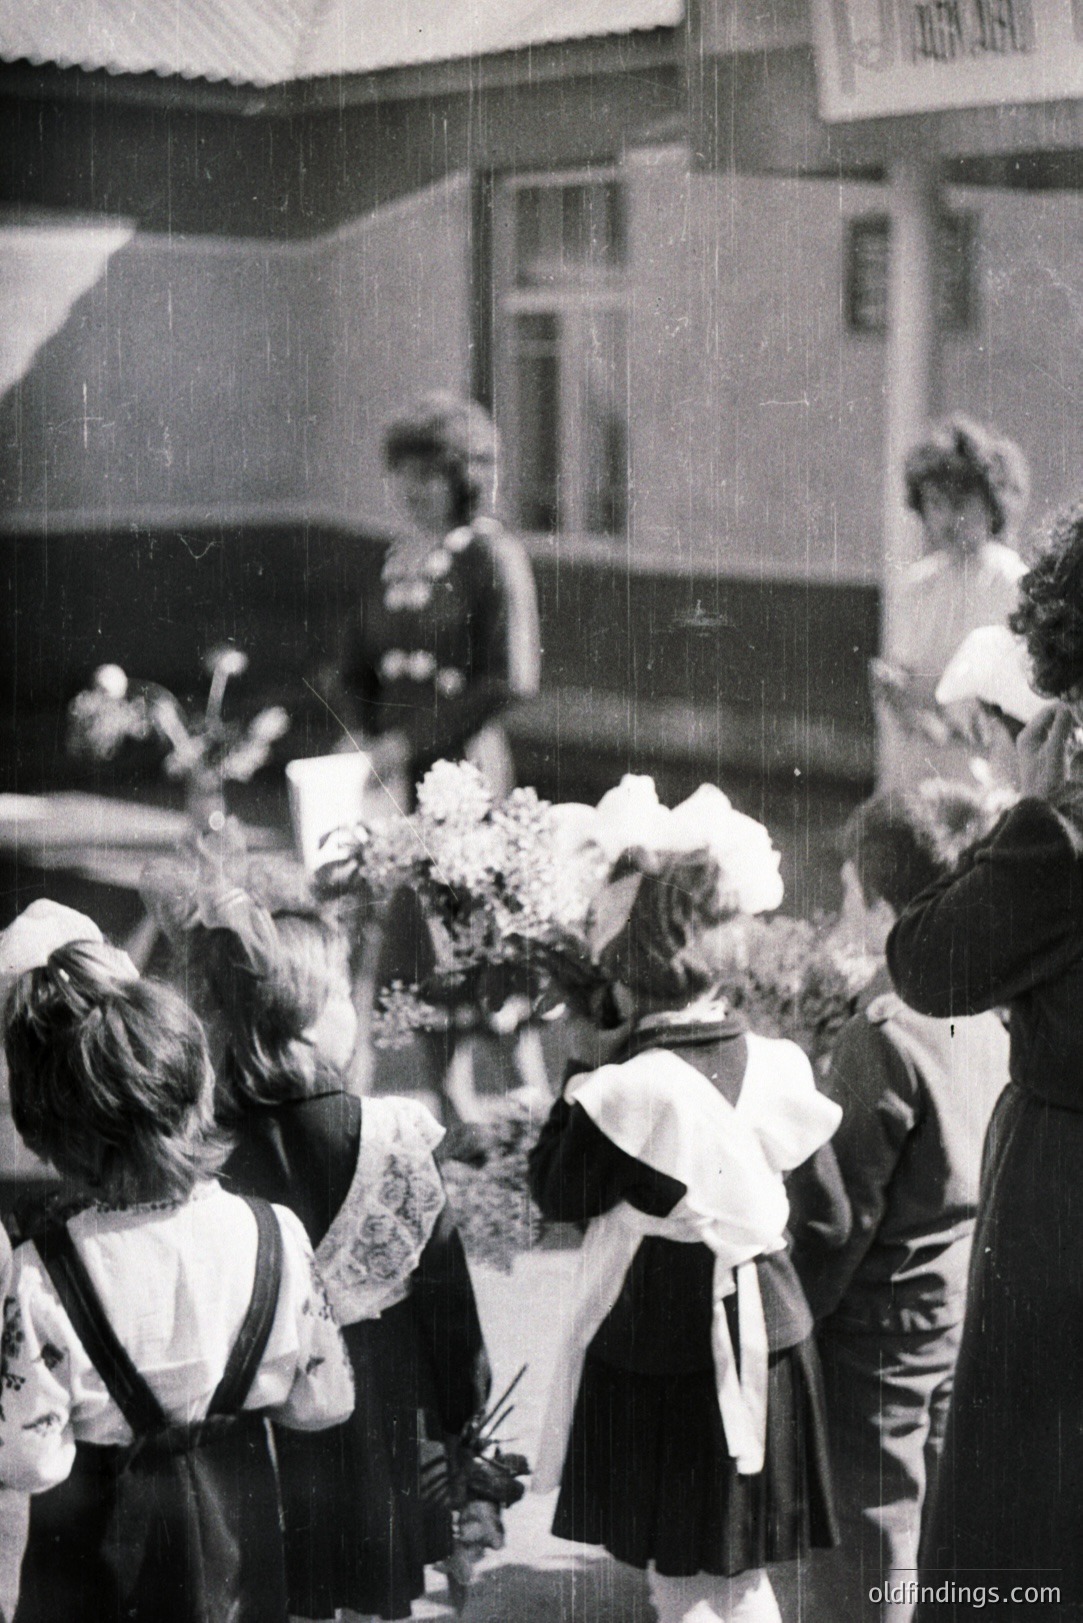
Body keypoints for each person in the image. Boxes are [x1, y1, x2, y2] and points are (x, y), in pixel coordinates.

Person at [144, 845, 492, 1623]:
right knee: (369, 1596)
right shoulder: (390, 1134)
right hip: (372, 1411)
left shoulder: (204, 1144)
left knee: (277, 1594)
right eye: (340, 991)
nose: (354, 1008)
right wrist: (463, 1420)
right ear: (303, 1011)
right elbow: (446, 1299)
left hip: (250, 1419)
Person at [0, 899, 354, 1623]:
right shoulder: (274, 1232)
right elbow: (325, 1401)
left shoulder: (42, 1272)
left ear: (47, 1127)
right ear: (195, 1084)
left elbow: (30, 1460)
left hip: (95, 1562)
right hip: (239, 1544)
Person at [528, 833, 844, 1623]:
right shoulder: (778, 1064)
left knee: (682, 1582)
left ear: (622, 978)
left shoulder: (628, 1091)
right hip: (771, 1337)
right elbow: (827, 1211)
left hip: (664, 1349)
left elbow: (556, 1192)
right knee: (740, 1574)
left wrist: (576, 1065)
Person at [886, 499, 1083, 1621]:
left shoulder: (1062, 836)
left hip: (1066, 1192)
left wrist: (1029, 813)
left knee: (1031, 1496)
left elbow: (927, 963)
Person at [788, 784, 1009, 1623]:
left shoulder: (881, 1032)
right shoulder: (988, 1005)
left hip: (878, 1325)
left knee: (869, 1541)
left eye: (850, 890)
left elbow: (836, 1214)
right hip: (957, 1300)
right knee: (941, 1529)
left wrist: (793, 1319)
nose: (844, 906)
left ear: (882, 906)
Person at [339, 392, 544, 1119]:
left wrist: (406, 739)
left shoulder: (490, 553)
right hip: (394, 783)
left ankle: (527, 1096)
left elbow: (510, 677)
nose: (411, 488)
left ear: (465, 476)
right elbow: (360, 668)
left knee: (481, 936)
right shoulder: (392, 559)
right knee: (407, 943)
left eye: (429, 472)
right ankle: (448, 1101)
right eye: (402, 472)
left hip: (465, 779)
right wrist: (357, 732)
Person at [873, 414, 1030, 789]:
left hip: (985, 768)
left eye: (960, 502)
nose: (948, 517)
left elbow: (1004, 693)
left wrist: (933, 695)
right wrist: (900, 695)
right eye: (935, 503)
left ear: (991, 502)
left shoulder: (1010, 581)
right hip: (921, 761)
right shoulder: (917, 585)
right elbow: (901, 679)